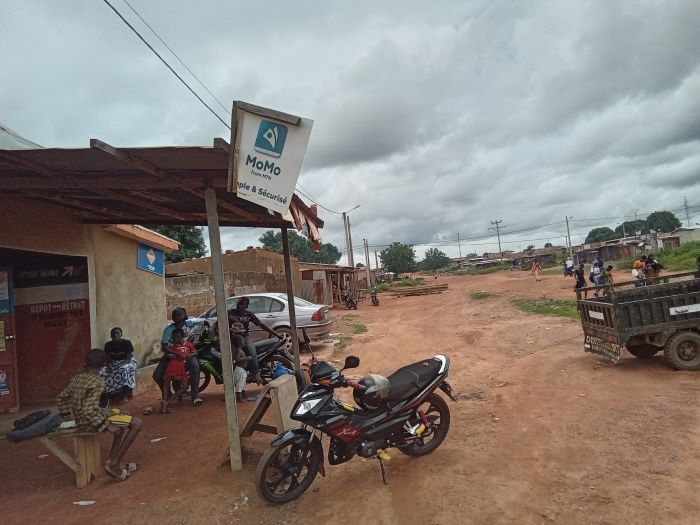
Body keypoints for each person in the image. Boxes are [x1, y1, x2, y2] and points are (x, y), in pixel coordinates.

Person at [57, 348, 143, 481]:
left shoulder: (76, 378)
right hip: (89, 422)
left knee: (121, 415)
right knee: (137, 423)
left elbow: (61, 398)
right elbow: (89, 410)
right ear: (104, 365)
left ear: (85, 365)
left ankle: (113, 460)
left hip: (82, 419)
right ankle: (114, 464)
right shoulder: (98, 383)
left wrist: (68, 416)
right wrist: (106, 425)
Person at [153, 307, 206, 406]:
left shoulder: (190, 324)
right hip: (171, 353)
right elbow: (164, 346)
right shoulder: (169, 329)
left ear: (184, 315)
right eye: (174, 315)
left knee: (195, 366)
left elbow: (205, 321)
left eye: (178, 315)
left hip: (187, 353)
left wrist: (209, 327)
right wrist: (176, 354)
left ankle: (195, 396)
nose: (176, 317)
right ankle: (167, 393)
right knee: (157, 375)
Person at [227, 297, 281, 384]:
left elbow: (261, 324)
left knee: (252, 351)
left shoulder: (248, 314)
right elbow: (218, 323)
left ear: (246, 306)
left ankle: (256, 373)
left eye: (242, 304)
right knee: (230, 355)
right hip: (232, 337)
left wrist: (276, 334)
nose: (239, 305)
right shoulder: (229, 313)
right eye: (239, 303)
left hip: (244, 337)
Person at [100, 327, 137, 405]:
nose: (115, 335)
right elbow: (108, 359)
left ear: (121, 334)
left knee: (124, 370)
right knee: (102, 372)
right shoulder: (108, 345)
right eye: (113, 333)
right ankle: (107, 395)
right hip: (114, 362)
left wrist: (116, 367)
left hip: (127, 362)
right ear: (111, 336)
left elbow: (128, 359)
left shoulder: (127, 343)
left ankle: (125, 396)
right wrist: (109, 366)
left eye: (117, 333)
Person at [161, 329, 193, 413]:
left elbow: (194, 352)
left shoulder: (188, 345)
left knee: (184, 386)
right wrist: (171, 355)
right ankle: (165, 401)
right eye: (174, 337)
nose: (176, 339)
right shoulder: (172, 346)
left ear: (182, 337)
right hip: (172, 365)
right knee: (167, 384)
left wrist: (189, 355)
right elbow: (166, 355)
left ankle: (166, 402)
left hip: (180, 367)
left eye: (178, 337)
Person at [231, 334, 252, 402]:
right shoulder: (238, 351)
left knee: (242, 383)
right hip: (239, 370)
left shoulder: (240, 350)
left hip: (242, 370)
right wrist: (246, 358)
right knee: (240, 384)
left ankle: (243, 395)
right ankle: (239, 398)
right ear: (241, 343)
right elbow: (237, 359)